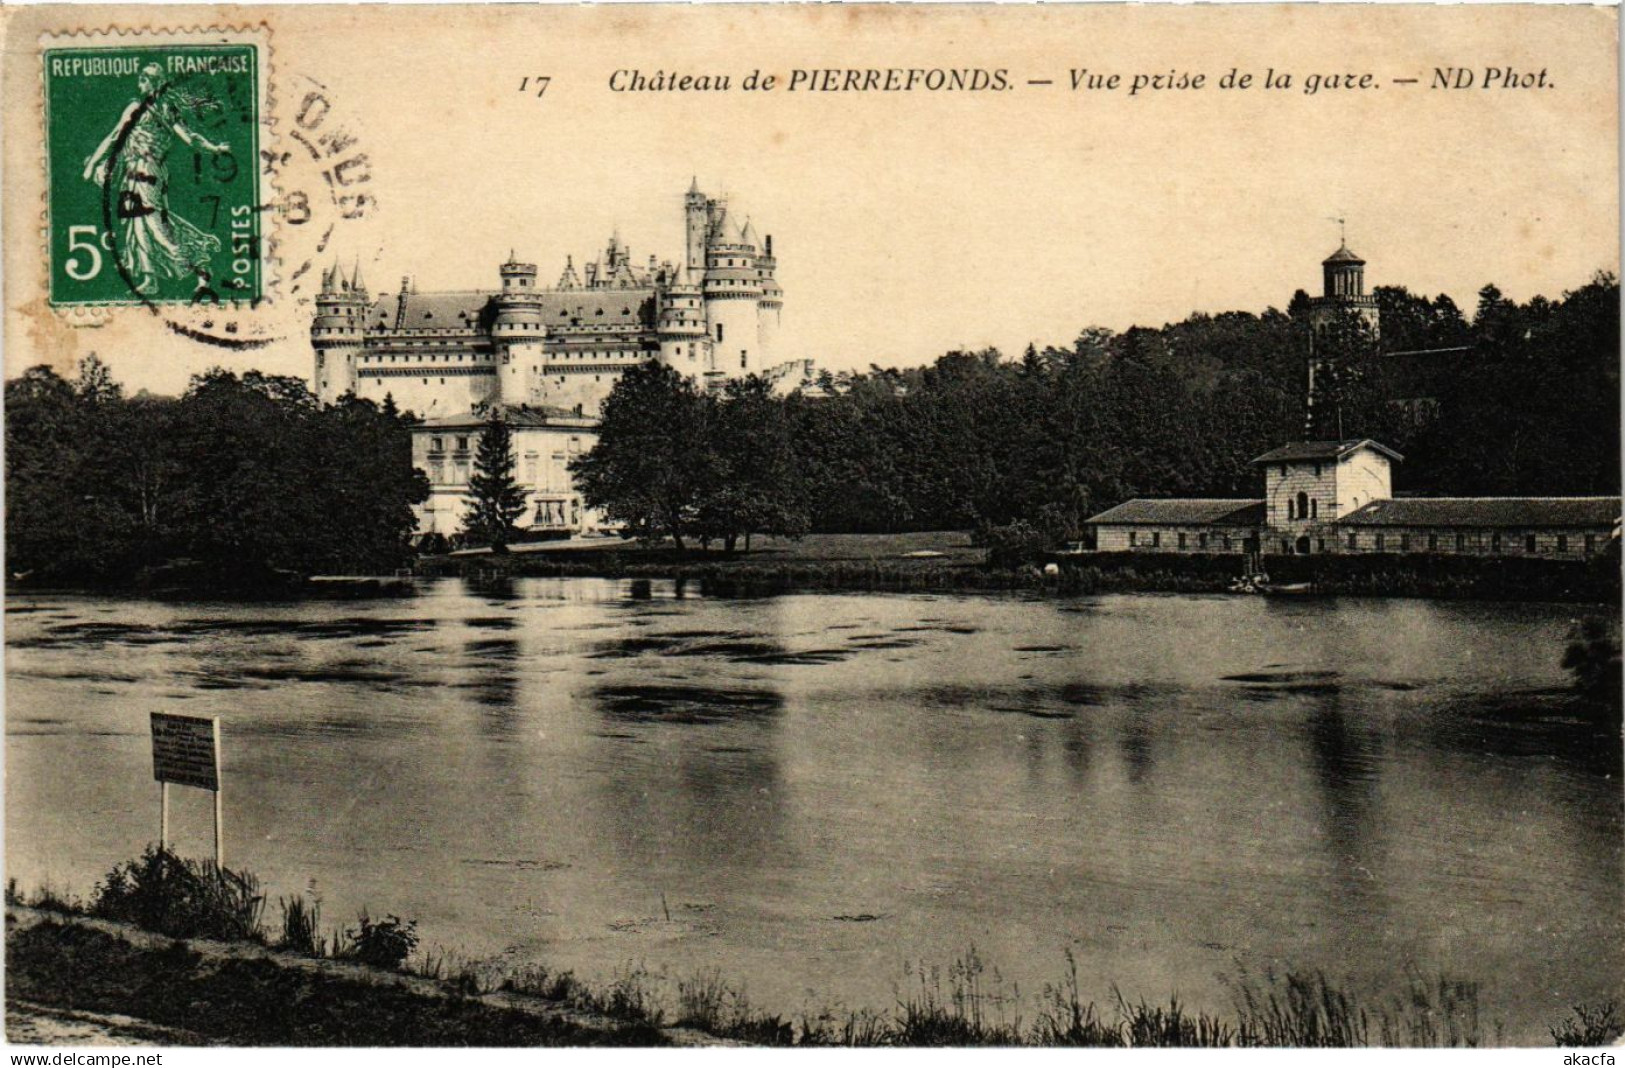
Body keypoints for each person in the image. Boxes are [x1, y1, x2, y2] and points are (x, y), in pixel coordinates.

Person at [81, 64, 230, 296]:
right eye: (141, 78)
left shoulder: (167, 109)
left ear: (156, 82)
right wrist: (92, 165)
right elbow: (115, 137)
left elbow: (190, 138)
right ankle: (152, 278)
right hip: (133, 169)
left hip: (149, 169)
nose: (140, 82)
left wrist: (215, 148)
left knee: (152, 222)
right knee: (138, 222)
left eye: (145, 79)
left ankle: (199, 262)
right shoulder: (135, 107)